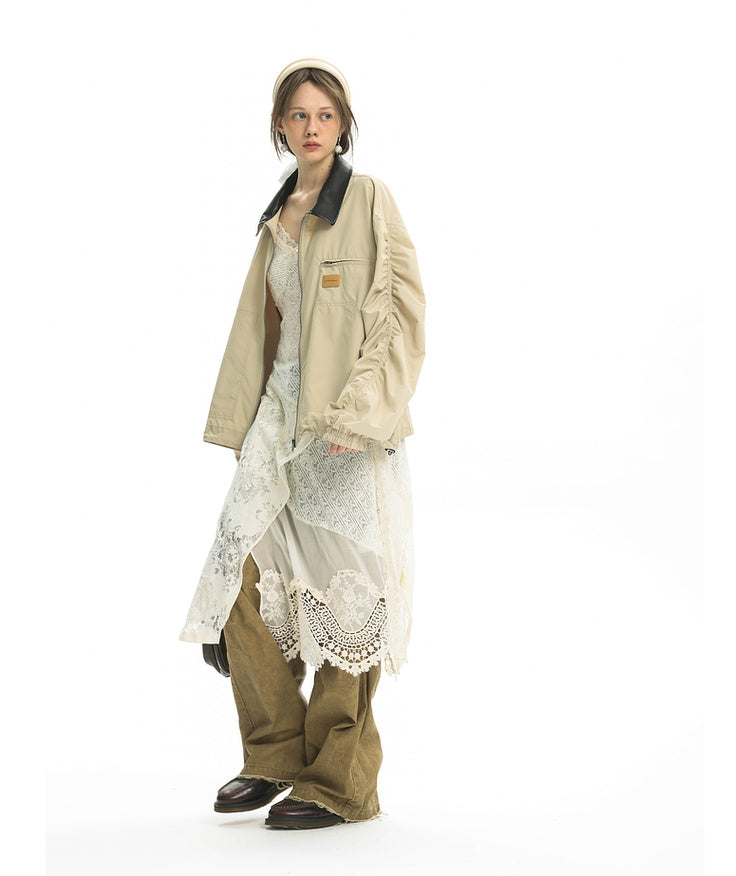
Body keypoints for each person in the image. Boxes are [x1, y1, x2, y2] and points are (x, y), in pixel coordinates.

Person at [179, 58, 426, 830]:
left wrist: (362, 417)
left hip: (343, 427)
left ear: (343, 124)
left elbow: (400, 314)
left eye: (325, 115)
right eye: (298, 115)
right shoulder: (276, 215)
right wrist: (244, 421)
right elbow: (263, 329)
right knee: (240, 578)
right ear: (280, 126)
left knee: (350, 594)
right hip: (277, 420)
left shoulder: (369, 200)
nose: (312, 127)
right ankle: (276, 754)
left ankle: (341, 782)